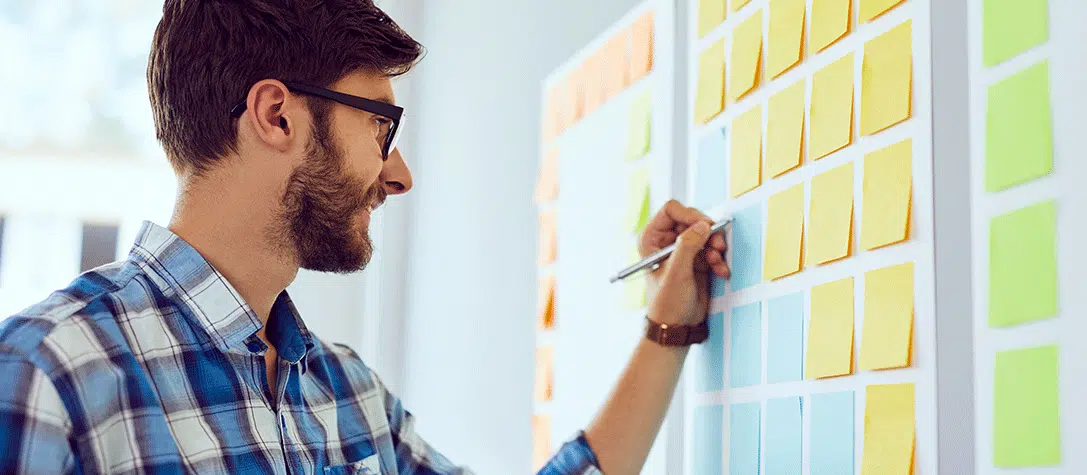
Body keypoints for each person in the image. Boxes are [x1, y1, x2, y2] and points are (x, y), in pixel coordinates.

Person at [0, 1, 730, 474]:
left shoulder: (348, 396)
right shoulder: (48, 375)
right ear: (277, 116)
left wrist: (669, 324)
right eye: (381, 125)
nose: (400, 174)